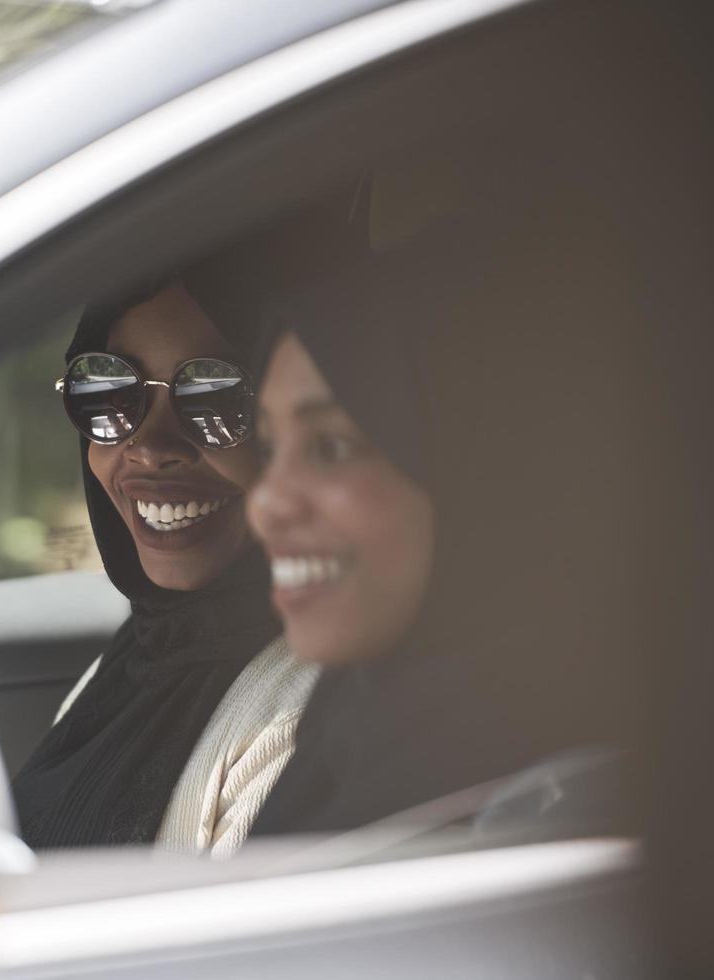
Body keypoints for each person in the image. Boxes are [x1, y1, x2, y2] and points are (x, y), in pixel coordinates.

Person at [244, 248, 629, 837]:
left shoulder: (520, 801)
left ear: (493, 470)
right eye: (269, 449)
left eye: (333, 448)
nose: (266, 503)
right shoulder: (356, 718)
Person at [10, 232, 340, 855]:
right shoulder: (145, 650)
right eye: (108, 390)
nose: (151, 446)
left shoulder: (297, 717)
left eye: (214, 396)